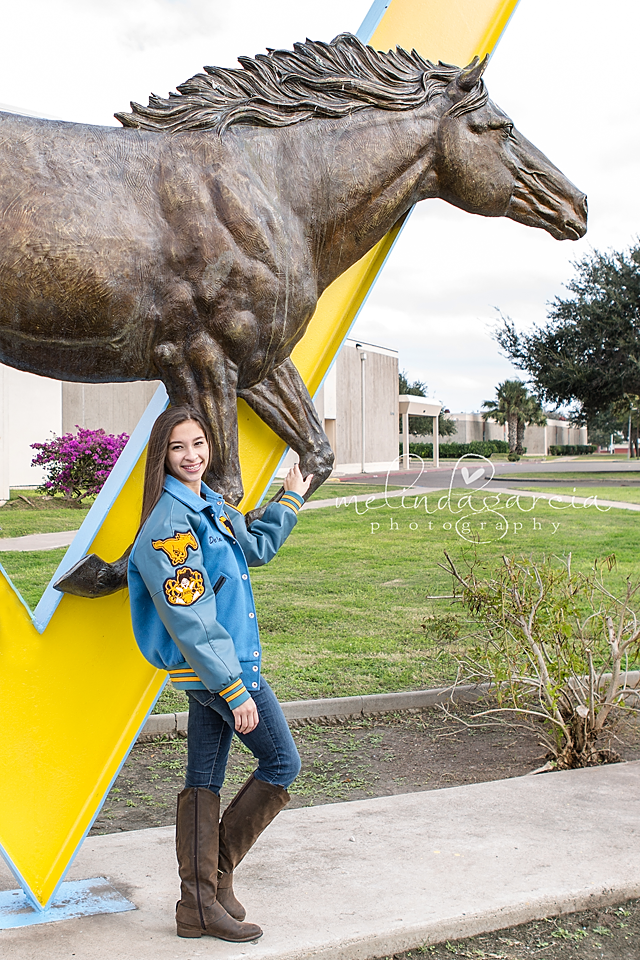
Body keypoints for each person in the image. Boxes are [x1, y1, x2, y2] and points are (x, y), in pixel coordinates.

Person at [127, 404, 312, 941]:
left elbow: (253, 549)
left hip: (217, 669)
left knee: (203, 780)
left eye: (199, 443)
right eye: (178, 447)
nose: (191, 456)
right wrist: (233, 689)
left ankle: (198, 903)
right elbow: (189, 614)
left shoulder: (210, 505)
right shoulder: (170, 524)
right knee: (282, 762)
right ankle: (212, 882)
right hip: (220, 670)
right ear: (161, 456)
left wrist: (290, 498)